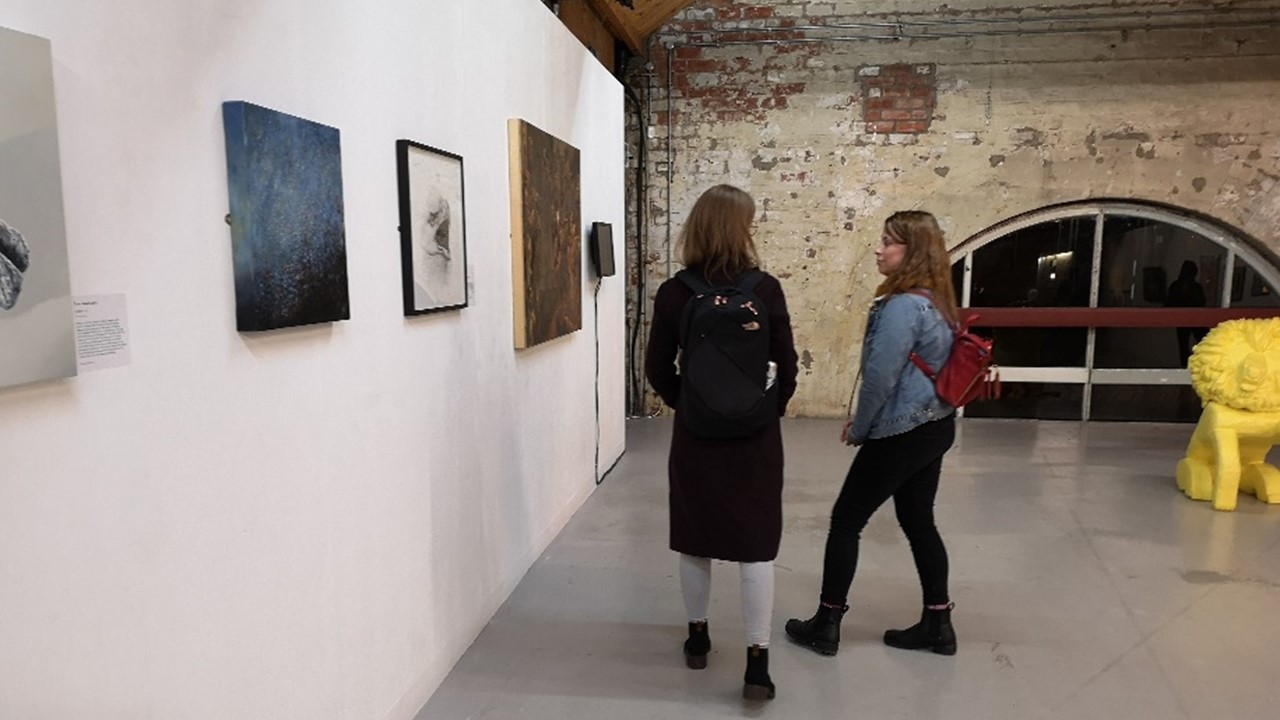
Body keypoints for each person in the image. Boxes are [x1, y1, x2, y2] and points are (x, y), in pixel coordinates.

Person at [644, 184, 798, 700]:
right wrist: (762, 411)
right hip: (755, 438)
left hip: (696, 434)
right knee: (756, 546)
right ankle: (757, 663)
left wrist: (690, 405)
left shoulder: (675, 292)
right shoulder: (766, 288)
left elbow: (656, 368)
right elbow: (788, 363)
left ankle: (698, 637)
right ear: (742, 228)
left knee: (696, 536)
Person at [785, 210, 960, 657]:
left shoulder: (902, 306)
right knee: (919, 520)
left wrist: (862, 428)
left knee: (847, 520)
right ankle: (937, 623)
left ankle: (826, 623)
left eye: (889, 243)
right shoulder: (938, 302)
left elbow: (880, 377)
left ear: (913, 252)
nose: (879, 250)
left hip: (902, 430)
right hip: (934, 424)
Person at [1165, 260, 1208, 367]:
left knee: (1199, 343)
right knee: (1188, 345)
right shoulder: (1185, 286)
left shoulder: (1178, 286)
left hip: (1191, 320)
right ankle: (1189, 366)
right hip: (1187, 320)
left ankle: (1196, 365)